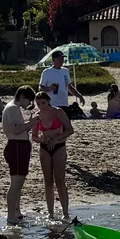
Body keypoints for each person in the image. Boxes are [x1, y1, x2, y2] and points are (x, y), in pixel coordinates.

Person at [32, 89, 73, 222]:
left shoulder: (58, 112)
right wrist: (41, 139)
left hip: (59, 146)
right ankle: (50, 213)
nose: (41, 106)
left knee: (60, 180)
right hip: (45, 148)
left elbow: (70, 129)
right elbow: (34, 136)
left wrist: (57, 138)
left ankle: (65, 213)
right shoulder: (37, 116)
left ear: (48, 101)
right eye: (38, 104)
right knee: (48, 181)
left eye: (43, 103)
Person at [1, 85, 32, 224]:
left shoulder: (14, 108)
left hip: (20, 146)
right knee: (16, 182)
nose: (29, 104)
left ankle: (16, 211)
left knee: (19, 182)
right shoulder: (13, 108)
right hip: (16, 146)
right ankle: (10, 215)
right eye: (29, 101)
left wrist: (30, 124)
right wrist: (31, 123)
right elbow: (16, 130)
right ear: (22, 97)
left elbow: (20, 128)